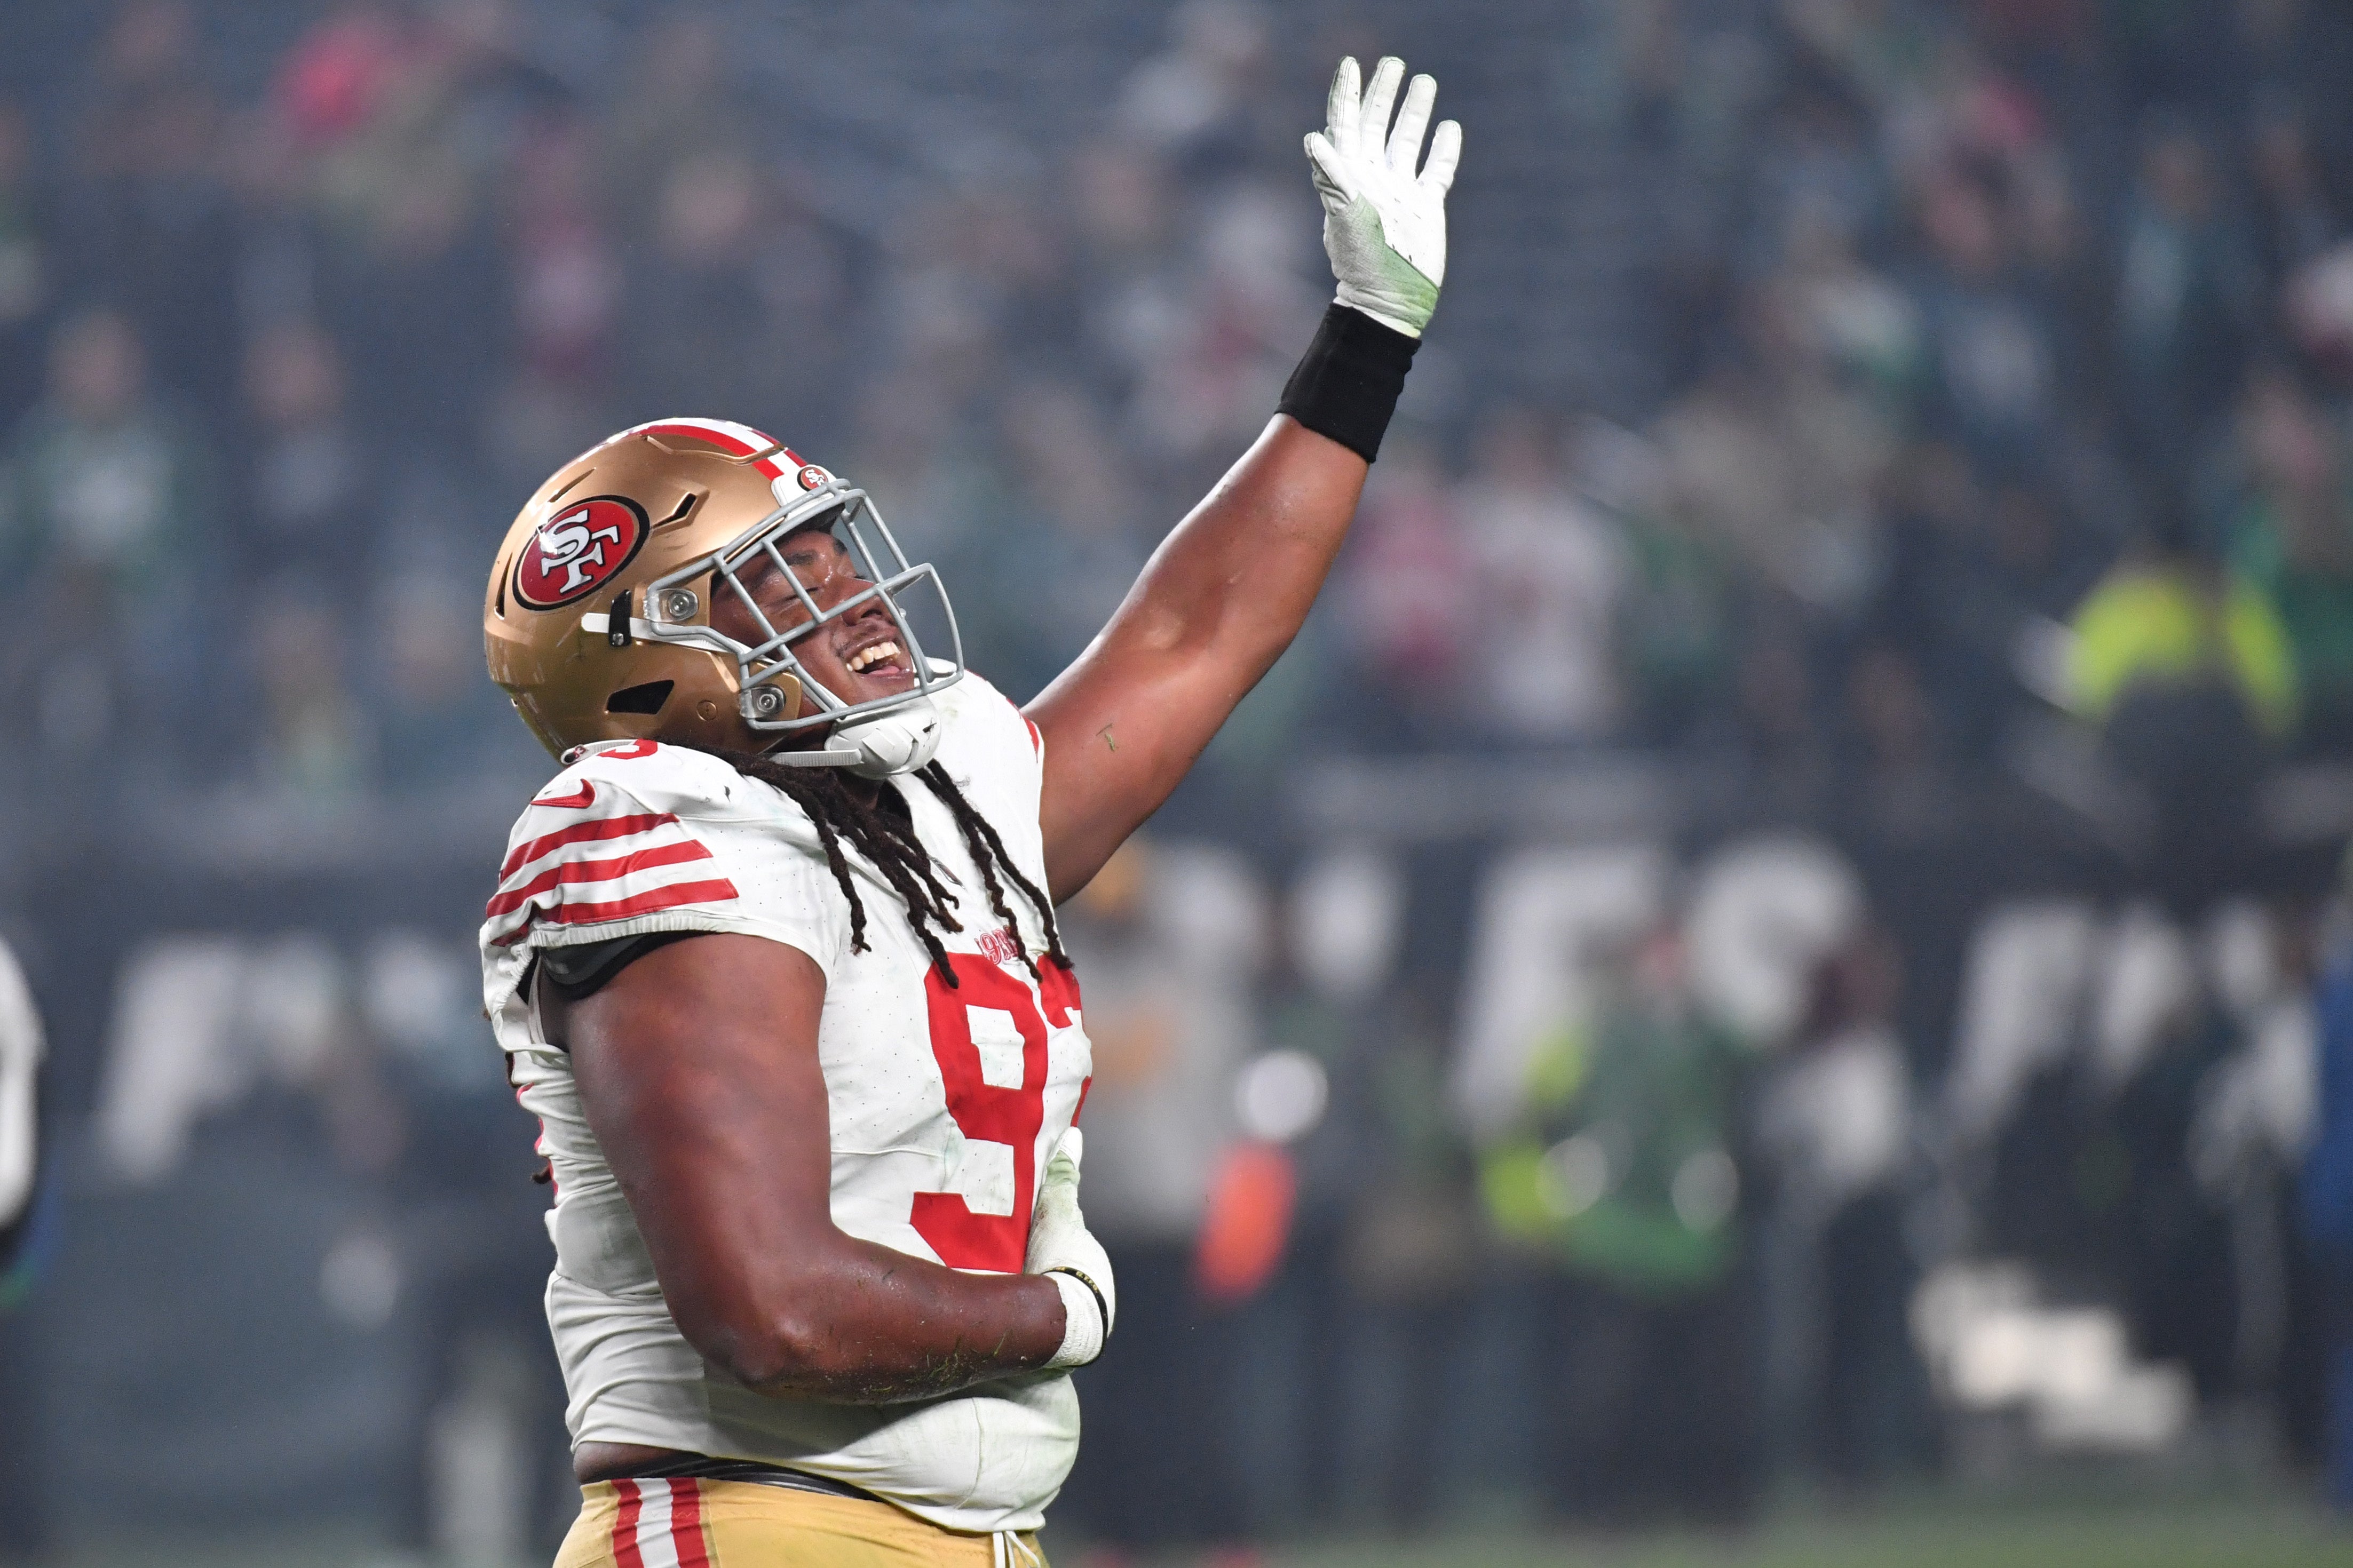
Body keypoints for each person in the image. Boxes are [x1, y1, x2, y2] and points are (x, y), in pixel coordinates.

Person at [475, 57, 1460, 1565]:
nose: (844, 593)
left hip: (960, 1532)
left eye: (828, 550)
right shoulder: (644, 812)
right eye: (768, 582)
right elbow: (775, 1306)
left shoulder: (923, 803)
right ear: (647, 673)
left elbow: (1192, 637)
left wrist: (1365, 343)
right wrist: (1057, 1307)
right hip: (758, 1532)